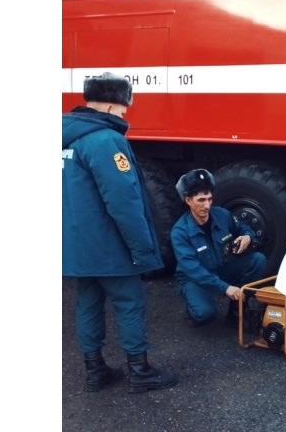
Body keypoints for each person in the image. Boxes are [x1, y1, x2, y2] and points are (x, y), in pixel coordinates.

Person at [62, 72, 177, 393]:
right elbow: (124, 202)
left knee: (87, 302)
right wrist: (143, 250)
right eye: (125, 108)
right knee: (129, 302)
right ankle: (140, 371)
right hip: (109, 246)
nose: (126, 114)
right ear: (113, 104)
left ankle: (94, 370)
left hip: (76, 247)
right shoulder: (106, 141)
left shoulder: (66, 138)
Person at [170, 168, 268, 327]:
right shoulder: (179, 232)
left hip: (221, 267)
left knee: (258, 260)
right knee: (204, 314)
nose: (207, 205)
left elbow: (243, 227)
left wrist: (247, 236)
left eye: (209, 199)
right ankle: (193, 308)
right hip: (196, 277)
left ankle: (238, 308)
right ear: (188, 200)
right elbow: (193, 270)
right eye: (201, 200)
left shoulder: (222, 215)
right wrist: (226, 288)